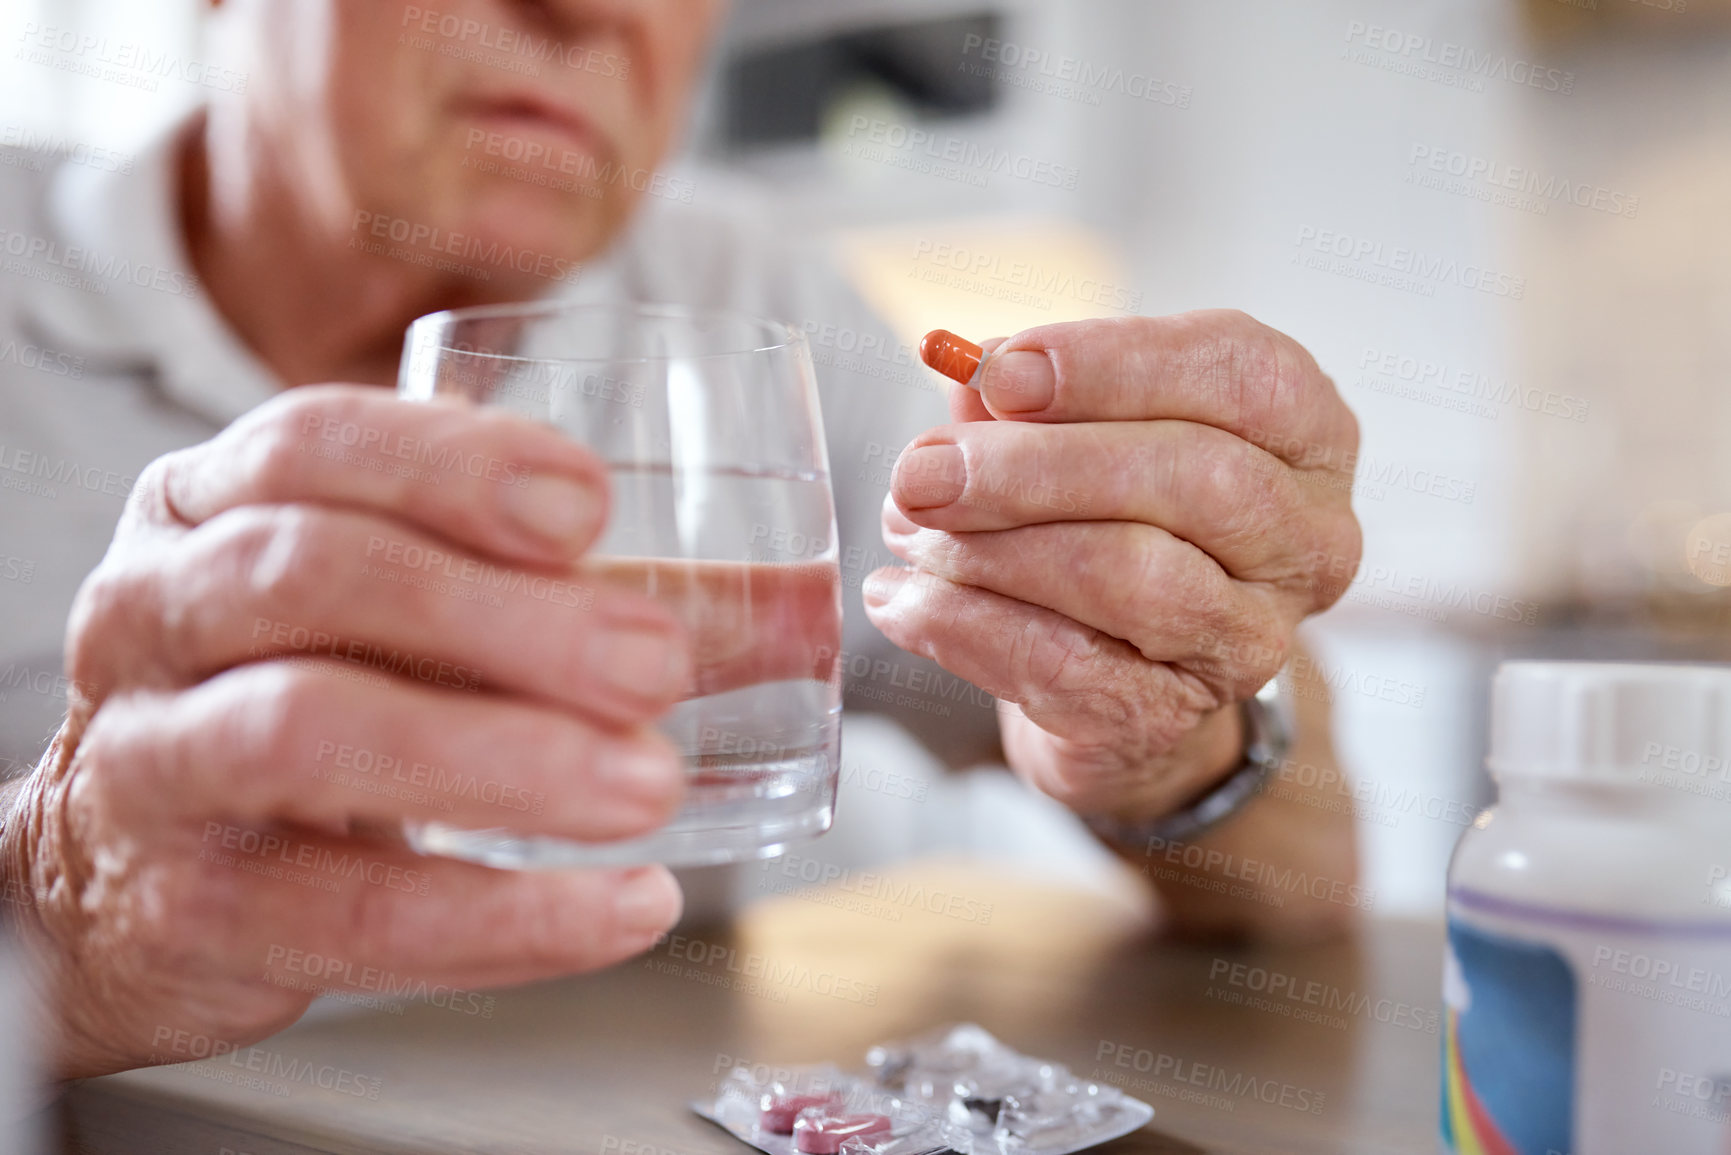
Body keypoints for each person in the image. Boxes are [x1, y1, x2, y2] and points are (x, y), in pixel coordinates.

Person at [0, 0, 1362, 1080]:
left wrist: (1168, 711)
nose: (591, 10)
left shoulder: (745, 302)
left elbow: (1296, 882)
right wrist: (52, 908)